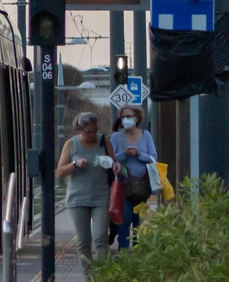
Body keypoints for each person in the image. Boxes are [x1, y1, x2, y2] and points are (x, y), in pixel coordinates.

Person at [56, 111, 112, 268]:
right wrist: (75, 164)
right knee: (83, 241)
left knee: (101, 237)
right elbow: (60, 171)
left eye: (95, 130)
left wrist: (111, 164)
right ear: (79, 129)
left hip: (101, 197)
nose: (93, 135)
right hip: (78, 199)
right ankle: (89, 280)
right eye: (89, 132)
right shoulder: (71, 144)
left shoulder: (104, 141)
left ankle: (103, 277)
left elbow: (115, 165)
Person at [109, 106, 158, 251]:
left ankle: (138, 250)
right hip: (124, 184)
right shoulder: (117, 137)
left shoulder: (146, 135)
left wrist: (138, 154)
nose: (125, 120)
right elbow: (111, 159)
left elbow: (153, 158)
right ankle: (123, 250)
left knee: (139, 220)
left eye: (129, 116)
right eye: (123, 117)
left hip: (142, 184)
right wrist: (124, 154)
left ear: (136, 118)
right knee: (125, 218)